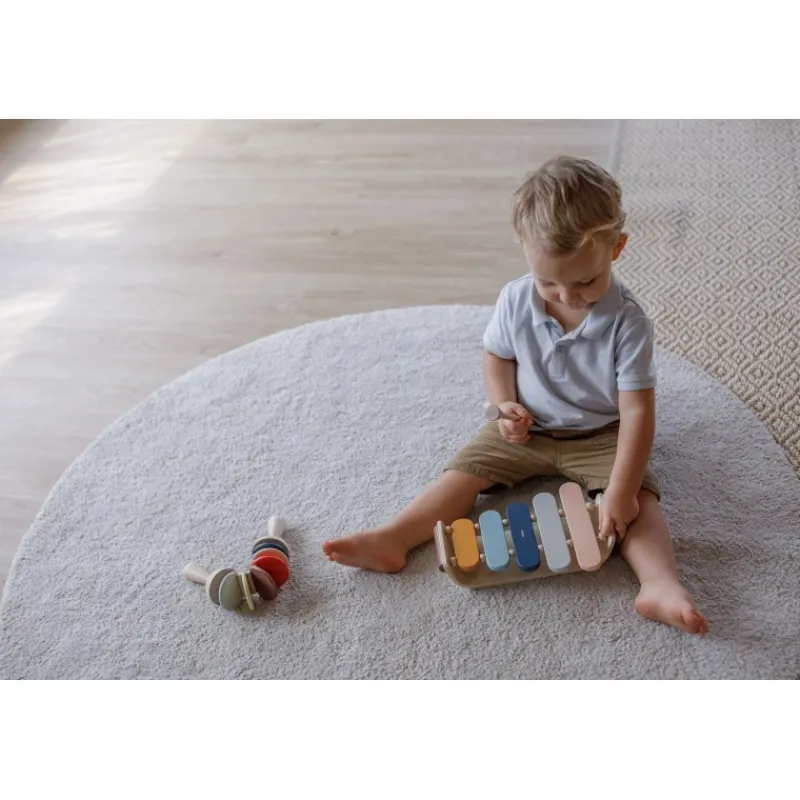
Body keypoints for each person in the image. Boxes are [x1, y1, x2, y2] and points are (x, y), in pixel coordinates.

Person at [322, 155, 708, 636]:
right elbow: (497, 355)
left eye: (585, 282)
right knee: (461, 474)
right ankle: (395, 538)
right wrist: (505, 405)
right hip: (528, 427)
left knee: (640, 502)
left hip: (601, 433)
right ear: (525, 253)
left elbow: (638, 412)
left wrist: (623, 490)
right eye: (548, 282)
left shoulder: (629, 323)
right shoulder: (515, 299)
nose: (565, 296)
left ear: (617, 249)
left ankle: (659, 584)